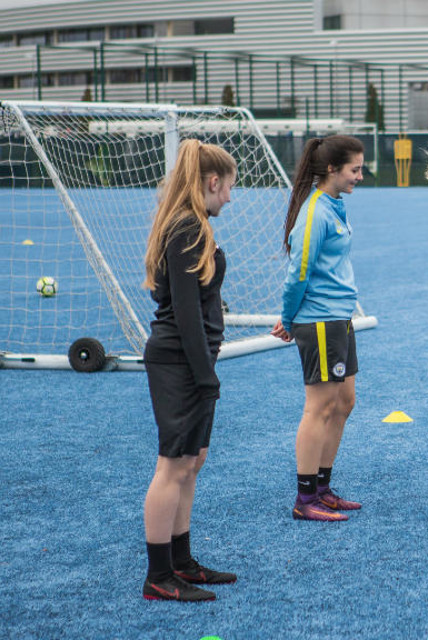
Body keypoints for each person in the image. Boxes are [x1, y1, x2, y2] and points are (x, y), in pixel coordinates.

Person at [141, 140, 238, 601]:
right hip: (179, 361)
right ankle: (159, 575)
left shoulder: (192, 225)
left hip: (194, 360)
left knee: (191, 463)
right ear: (213, 182)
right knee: (172, 466)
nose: (230, 199)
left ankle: (181, 561)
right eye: (229, 189)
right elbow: (183, 312)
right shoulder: (187, 229)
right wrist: (204, 375)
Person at [270, 135, 366, 522]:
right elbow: (298, 273)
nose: (360, 176)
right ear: (331, 169)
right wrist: (289, 317)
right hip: (320, 320)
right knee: (320, 406)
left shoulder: (335, 205)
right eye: (354, 169)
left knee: (344, 403)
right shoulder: (315, 213)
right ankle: (305, 497)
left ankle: (323, 488)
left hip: (339, 317)